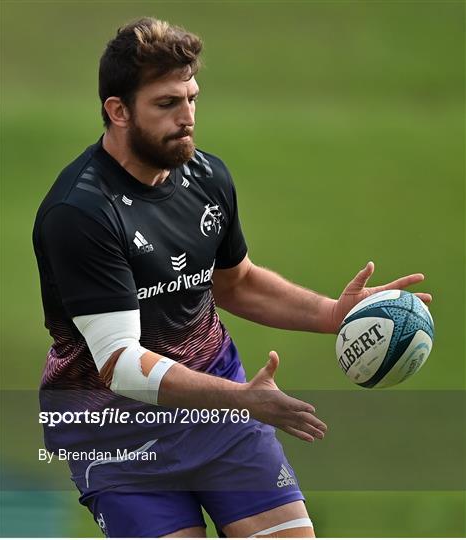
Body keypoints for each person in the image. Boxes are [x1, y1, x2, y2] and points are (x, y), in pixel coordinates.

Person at [33, 17, 432, 538]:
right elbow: (121, 366)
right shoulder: (80, 212)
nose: (187, 117)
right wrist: (242, 398)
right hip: (117, 433)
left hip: (217, 414)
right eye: (167, 104)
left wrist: (333, 314)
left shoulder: (205, 177)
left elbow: (234, 283)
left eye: (192, 98)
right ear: (118, 111)